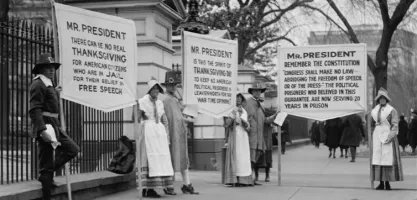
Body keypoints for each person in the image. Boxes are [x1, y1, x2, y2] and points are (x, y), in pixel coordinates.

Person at [29, 53, 80, 200]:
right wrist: (42, 130)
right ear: (40, 69)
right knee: (46, 162)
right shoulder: (38, 84)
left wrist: (55, 93)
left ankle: (47, 173)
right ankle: (46, 180)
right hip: (46, 126)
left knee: (73, 149)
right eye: (47, 67)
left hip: (54, 125)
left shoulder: (48, 84)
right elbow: (35, 109)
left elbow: (48, 101)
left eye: (53, 67)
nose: (52, 70)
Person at [161, 71, 199, 195]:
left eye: (174, 85)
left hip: (179, 132)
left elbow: (178, 116)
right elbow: (167, 118)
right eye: (170, 85)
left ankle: (187, 184)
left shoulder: (174, 99)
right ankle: (169, 185)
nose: (173, 87)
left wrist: (186, 118)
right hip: (171, 133)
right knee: (171, 158)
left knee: (183, 158)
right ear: (166, 86)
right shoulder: (166, 100)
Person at [137, 77, 174, 198]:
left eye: (157, 89)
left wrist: (167, 136)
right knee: (148, 159)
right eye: (154, 89)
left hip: (159, 133)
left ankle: (154, 187)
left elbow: (164, 120)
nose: (156, 91)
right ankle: (146, 187)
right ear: (149, 90)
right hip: (148, 132)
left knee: (159, 160)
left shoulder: (159, 103)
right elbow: (138, 119)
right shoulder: (142, 101)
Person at [244, 82, 277, 184]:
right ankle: (250, 177)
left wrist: (275, 116)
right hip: (251, 136)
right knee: (251, 156)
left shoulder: (260, 104)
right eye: (256, 91)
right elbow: (246, 119)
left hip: (259, 137)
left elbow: (265, 120)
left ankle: (252, 177)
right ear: (252, 92)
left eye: (259, 91)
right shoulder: (248, 102)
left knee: (256, 156)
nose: (258, 92)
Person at [371, 88, 404, 190]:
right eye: (380, 98)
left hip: (388, 136)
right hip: (377, 137)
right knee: (379, 159)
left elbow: (395, 125)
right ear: (378, 100)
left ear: (386, 99)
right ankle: (381, 182)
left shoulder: (392, 110)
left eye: (383, 98)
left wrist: (391, 135)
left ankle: (388, 182)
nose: (382, 100)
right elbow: (372, 123)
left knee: (387, 159)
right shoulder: (374, 110)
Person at [223, 93, 253, 187]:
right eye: (237, 97)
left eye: (240, 98)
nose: (238, 99)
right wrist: (232, 115)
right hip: (234, 136)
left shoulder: (244, 111)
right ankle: (234, 179)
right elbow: (226, 124)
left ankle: (244, 180)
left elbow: (249, 126)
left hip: (243, 136)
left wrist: (247, 125)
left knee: (243, 158)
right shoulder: (230, 110)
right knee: (236, 157)